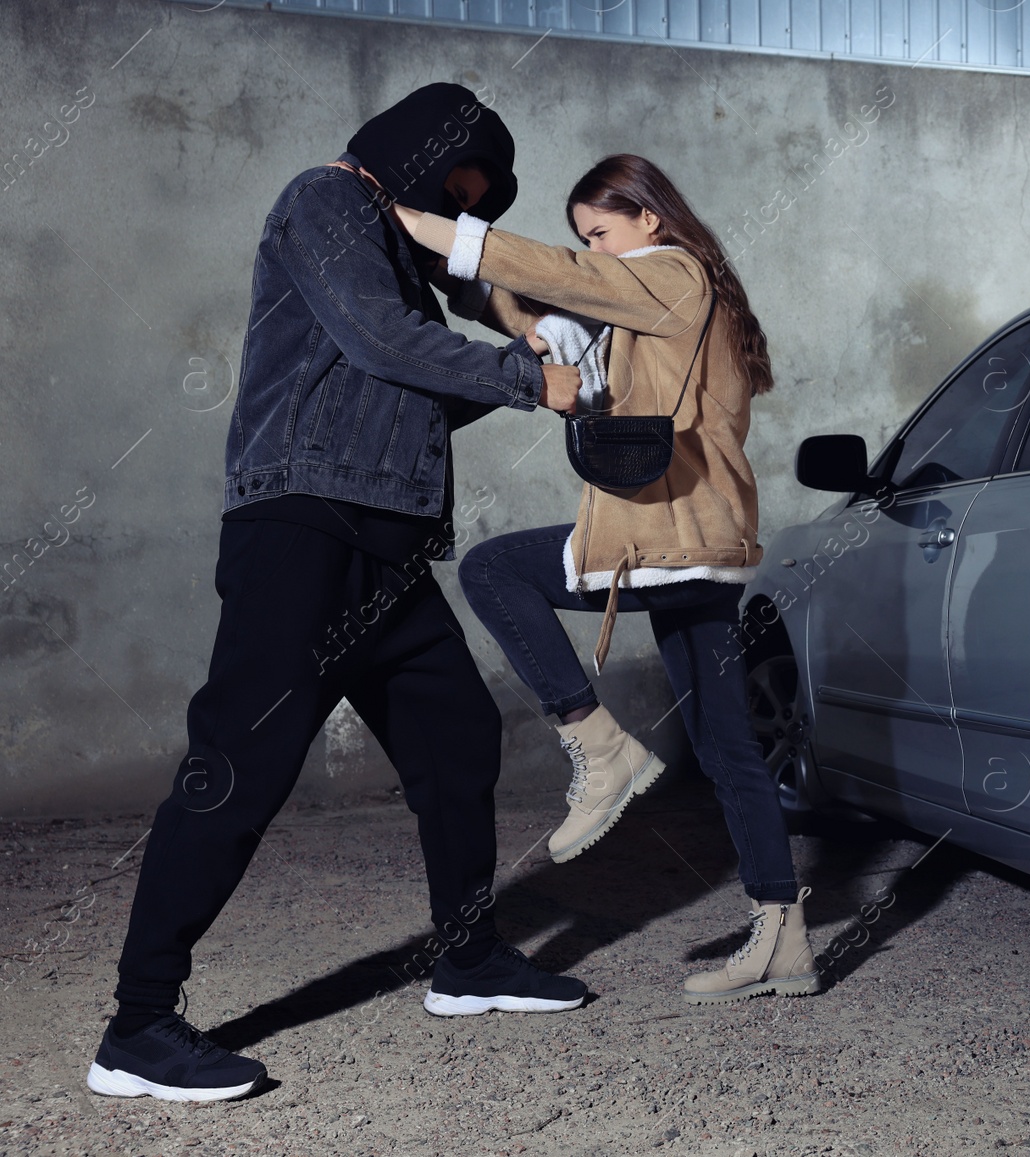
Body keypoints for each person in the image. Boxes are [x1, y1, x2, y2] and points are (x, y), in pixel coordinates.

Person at [87, 84, 587, 1104]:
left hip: (389, 550)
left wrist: (524, 354)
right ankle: (137, 1026)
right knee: (239, 765)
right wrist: (525, 377)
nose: (463, 205)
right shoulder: (326, 201)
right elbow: (378, 339)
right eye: (459, 182)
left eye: (476, 197)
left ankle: (466, 958)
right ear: (419, 150)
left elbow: (419, 389)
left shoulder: (399, 263)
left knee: (457, 741)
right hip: (303, 534)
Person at [394, 154, 821, 1005]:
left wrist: (420, 226)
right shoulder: (673, 291)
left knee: (492, 569)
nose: (591, 251)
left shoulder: (670, 274)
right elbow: (553, 309)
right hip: (705, 542)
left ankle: (600, 743)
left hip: (664, 534)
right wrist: (461, 278)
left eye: (601, 234)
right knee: (727, 747)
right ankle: (784, 939)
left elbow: (561, 279)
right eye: (585, 238)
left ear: (650, 220)